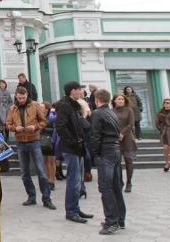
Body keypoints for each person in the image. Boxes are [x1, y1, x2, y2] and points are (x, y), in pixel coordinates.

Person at [6, 87, 56, 210]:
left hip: (34, 140)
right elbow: (8, 124)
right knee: (24, 172)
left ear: (27, 95)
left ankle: (46, 198)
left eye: (23, 98)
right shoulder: (13, 108)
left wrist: (35, 127)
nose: (21, 100)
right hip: (20, 141)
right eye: (19, 98)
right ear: (16, 96)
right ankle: (31, 197)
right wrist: (14, 128)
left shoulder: (34, 105)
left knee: (41, 170)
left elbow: (44, 121)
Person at [55, 81, 94, 224]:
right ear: (72, 91)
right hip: (71, 148)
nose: (82, 92)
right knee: (73, 180)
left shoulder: (74, 105)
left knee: (78, 181)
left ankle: (76, 209)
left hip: (79, 147)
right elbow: (60, 126)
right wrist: (72, 141)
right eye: (79, 90)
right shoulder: (64, 105)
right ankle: (71, 211)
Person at [90, 89, 126, 235]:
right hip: (116, 151)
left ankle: (112, 222)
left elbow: (95, 136)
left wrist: (95, 155)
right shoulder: (112, 112)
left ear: (97, 99)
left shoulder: (97, 113)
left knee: (105, 188)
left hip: (106, 152)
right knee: (116, 186)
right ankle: (120, 219)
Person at [111, 92, 137, 192]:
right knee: (117, 161)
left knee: (128, 160)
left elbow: (131, 124)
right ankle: (119, 182)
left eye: (122, 99)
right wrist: (117, 134)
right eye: (119, 99)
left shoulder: (129, 110)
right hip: (115, 138)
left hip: (127, 138)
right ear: (114, 101)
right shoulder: (111, 111)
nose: (121, 101)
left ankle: (129, 182)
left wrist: (122, 133)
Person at [41, 101, 57, 190]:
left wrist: (44, 128)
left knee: (51, 161)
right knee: (44, 160)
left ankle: (52, 180)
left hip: (50, 140)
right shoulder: (39, 116)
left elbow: (54, 128)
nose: (41, 109)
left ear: (47, 108)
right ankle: (47, 179)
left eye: (42, 107)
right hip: (42, 140)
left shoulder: (52, 116)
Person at [155, 98, 170, 172]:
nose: (167, 104)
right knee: (166, 149)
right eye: (165, 103)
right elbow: (157, 123)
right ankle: (167, 163)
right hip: (165, 132)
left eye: (168, 103)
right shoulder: (160, 112)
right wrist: (161, 129)